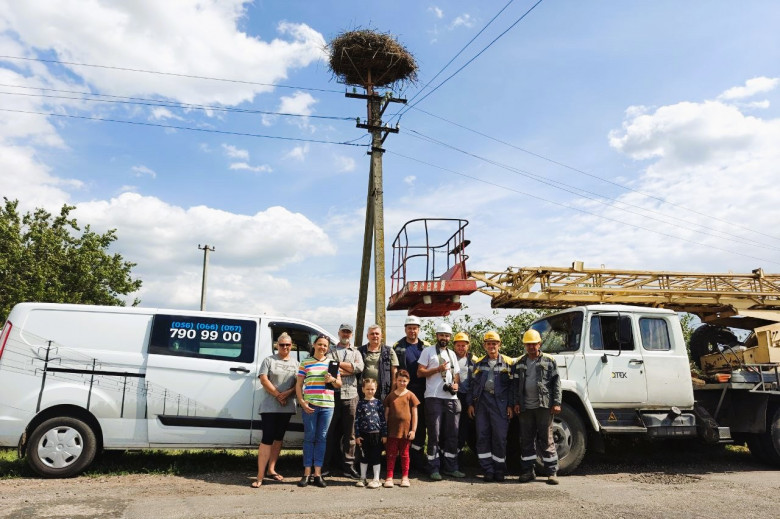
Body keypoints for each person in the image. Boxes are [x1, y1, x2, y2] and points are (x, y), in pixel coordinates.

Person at [513, 329, 562, 485]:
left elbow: (556, 383)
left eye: (534, 344)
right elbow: (515, 385)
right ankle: (528, 471)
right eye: (528, 345)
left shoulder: (549, 361)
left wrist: (556, 403)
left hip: (544, 406)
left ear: (539, 344)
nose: (531, 347)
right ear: (525, 346)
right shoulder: (520, 362)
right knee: (526, 440)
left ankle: (552, 472)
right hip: (525, 408)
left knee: (546, 439)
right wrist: (516, 403)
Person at [416, 322, 465, 480]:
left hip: (451, 398)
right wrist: (437, 369)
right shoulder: (428, 351)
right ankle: (433, 467)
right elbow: (419, 372)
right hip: (434, 397)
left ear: (450, 337)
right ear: (436, 336)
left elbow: (456, 374)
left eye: (446, 336)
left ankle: (451, 467)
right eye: (441, 335)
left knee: (452, 434)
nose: (444, 338)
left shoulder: (452, 354)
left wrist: (456, 385)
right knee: (434, 434)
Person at [252, 333, 299, 487]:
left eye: (287, 345)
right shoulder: (269, 360)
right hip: (270, 407)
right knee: (267, 438)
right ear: (277, 345)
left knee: (278, 438)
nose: (284, 347)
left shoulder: (296, 363)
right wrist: (278, 394)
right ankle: (260, 476)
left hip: (287, 406)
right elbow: (264, 379)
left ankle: (272, 469)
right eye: (281, 345)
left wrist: (288, 393)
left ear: (292, 345)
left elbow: (298, 383)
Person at [467, 331, 515, 482]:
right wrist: (470, 404)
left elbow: (514, 386)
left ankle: (499, 470)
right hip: (482, 403)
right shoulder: (479, 363)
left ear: (499, 344)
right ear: (484, 346)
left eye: (494, 343)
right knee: (482, 436)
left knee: (500, 438)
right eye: (488, 343)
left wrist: (511, 405)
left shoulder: (509, 363)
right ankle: (487, 470)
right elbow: (471, 385)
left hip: (500, 404)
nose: (491, 346)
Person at [296, 334, 342, 488]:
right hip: (310, 405)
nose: (322, 347)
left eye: (325, 345)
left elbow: (339, 384)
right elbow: (298, 385)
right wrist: (302, 402)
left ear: (328, 348)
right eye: (320, 344)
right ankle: (306, 473)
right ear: (314, 345)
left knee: (322, 438)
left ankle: (318, 474)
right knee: (309, 438)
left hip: (327, 406)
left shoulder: (332, 363)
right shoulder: (306, 362)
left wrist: (333, 380)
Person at [323, 323, 363, 479]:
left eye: (348, 332)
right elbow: (330, 369)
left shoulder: (356, 352)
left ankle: (348, 467)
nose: (346, 334)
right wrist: (348, 369)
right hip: (332, 395)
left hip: (351, 395)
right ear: (338, 332)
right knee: (329, 433)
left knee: (350, 434)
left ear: (351, 335)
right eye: (344, 331)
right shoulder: (330, 350)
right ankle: (325, 466)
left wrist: (338, 366)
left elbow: (359, 368)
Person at [393, 315, 428, 469]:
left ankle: (417, 461)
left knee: (420, 426)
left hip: (422, 391)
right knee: (404, 425)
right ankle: (403, 461)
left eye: (415, 328)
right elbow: (393, 369)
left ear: (419, 330)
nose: (412, 331)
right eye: (409, 328)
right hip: (404, 392)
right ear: (405, 329)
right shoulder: (398, 346)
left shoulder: (426, 346)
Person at [383, 369, 419, 488]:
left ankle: (405, 477)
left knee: (405, 454)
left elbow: (414, 414)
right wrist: (384, 431)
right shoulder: (390, 396)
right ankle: (389, 477)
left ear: (408, 381)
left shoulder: (410, 395)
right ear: (396, 381)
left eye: (404, 381)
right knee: (391, 454)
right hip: (392, 432)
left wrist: (413, 430)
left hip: (406, 432)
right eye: (399, 380)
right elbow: (386, 415)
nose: (402, 383)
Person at [354, 378, 387, 489]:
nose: (370, 391)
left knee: (376, 456)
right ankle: (363, 477)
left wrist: (384, 434)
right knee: (364, 456)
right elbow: (357, 420)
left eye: (372, 389)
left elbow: (383, 419)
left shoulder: (378, 403)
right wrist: (357, 435)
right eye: (367, 389)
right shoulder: (360, 403)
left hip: (377, 434)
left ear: (376, 389)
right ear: (363, 389)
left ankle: (376, 479)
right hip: (364, 435)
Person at [358, 324, 398, 402]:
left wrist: (393, 390)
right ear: (367, 336)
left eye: (377, 334)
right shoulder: (360, 351)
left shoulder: (389, 351)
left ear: (381, 336)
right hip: (365, 391)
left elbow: (394, 371)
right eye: (372, 334)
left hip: (384, 391)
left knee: (383, 413)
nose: (374, 336)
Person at [453, 331, 475, 462]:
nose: (461, 348)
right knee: (452, 428)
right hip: (452, 397)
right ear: (454, 346)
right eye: (458, 345)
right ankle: (449, 457)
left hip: (467, 398)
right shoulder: (449, 358)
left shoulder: (473, 360)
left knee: (463, 428)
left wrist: (472, 402)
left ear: (468, 346)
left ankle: (459, 457)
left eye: (463, 345)